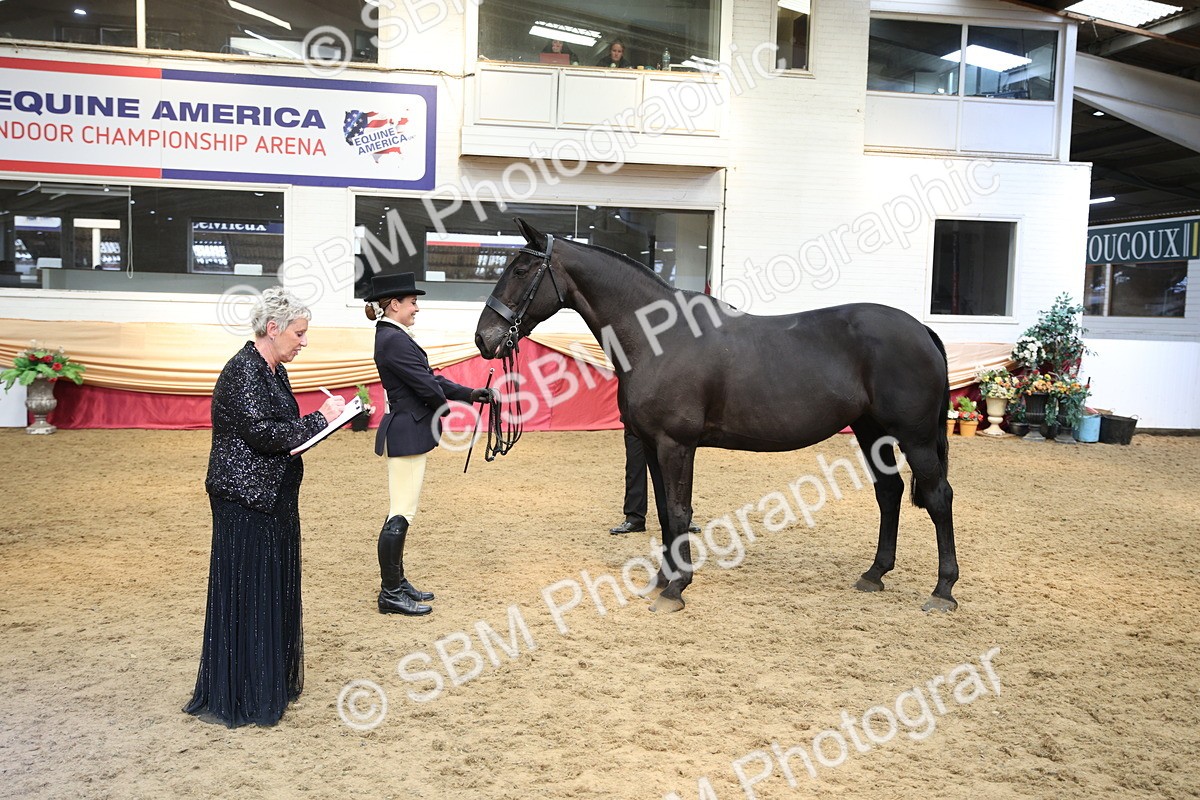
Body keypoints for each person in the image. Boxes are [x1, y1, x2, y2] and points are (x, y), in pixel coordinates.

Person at [185, 287, 345, 728]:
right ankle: (246, 691)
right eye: (299, 333)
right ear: (272, 329)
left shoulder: (274, 371)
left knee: (269, 592)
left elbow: (282, 429)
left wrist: (324, 422)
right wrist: (323, 418)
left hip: (273, 498)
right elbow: (264, 434)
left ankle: (264, 681)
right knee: (250, 594)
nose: (304, 341)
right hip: (246, 501)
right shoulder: (244, 371)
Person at [365, 272, 495, 616]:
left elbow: (429, 378)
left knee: (402, 511)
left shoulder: (393, 336)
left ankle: (398, 582)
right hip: (406, 432)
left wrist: (470, 394)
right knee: (401, 512)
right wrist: (444, 408)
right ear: (394, 305)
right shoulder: (393, 340)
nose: (416, 308)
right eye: (412, 302)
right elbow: (426, 385)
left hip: (409, 430)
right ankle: (391, 592)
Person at [609, 427, 701, 535]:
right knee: (634, 466)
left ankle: (681, 516)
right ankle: (634, 518)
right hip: (635, 422)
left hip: (664, 422)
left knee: (670, 465)